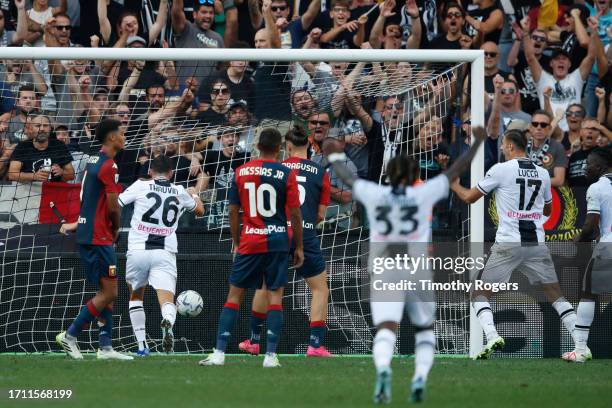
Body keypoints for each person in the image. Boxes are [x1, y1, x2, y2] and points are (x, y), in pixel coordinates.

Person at [322, 125, 485, 403]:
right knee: (424, 329)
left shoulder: (375, 193)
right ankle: (419, 376)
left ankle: (384, 370)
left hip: (384, 269)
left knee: (386, 328)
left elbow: (347, 177)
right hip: (417, 269)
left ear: (389, 175)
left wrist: (333, 155)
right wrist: (476, 143)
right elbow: (456, 169)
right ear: (414, 175)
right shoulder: (424, 193)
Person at [451, 129, 578, 360]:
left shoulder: (500, 170)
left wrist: (454, 185)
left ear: (509, 146)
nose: (501, 149)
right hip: (536, 245)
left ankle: (491, 336)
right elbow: (548, 210)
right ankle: (582, 346)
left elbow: (470, 197)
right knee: (557, 296)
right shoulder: (542, 173)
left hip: (509, 243)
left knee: (478, 293)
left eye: (502, 146)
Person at [199, 128, 304, 368]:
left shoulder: (241, 171)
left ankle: (219, 353)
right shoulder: (286, 173)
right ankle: (270, 356)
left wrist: (236, 240)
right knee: (275, 296)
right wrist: (298, 245)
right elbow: (295, 214)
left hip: (250, 240)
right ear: (279, 148)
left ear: (257, 146)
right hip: (277, 241)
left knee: (234, 296)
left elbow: (233, 211)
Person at [239, 127, 332, 357]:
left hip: (277, 234)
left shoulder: (277, 170)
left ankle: (253, 341)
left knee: (265, 286)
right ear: (309, 147)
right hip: (306, 234)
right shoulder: (321, 172)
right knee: (319, 289)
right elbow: (321, 214)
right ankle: (315, 344)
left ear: (287, 147)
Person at [56, 119, 133, 361]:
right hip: (100, 236)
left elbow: (89, 199)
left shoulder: (92, 161)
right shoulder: (109, 166)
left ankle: (106, 346)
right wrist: (117, 228)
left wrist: (76, 222)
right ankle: (70, 335)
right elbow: (113, 205)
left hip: (88, 233)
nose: (123, 136)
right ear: (111, 138)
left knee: (105, 290)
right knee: (110, 293)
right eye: (120, 133)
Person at [119, 154, 204, 356]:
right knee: (167, 300)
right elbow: (200, 211)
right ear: (172, 173)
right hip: (165, 252)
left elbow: (119, 202)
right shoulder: (178, 190)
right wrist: (194, 194)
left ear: (150, 172)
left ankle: (141, 346)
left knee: (135, 297)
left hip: (138, 250)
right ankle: (168, 322)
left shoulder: (140, 185)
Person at [563, 148, 611, 363]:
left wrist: (578, 239)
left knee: (588, 293)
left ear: (600, 167)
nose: (585, 167)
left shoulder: (597, 187)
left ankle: (580, 350)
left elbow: (590, 223)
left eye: (588, 163)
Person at [7, 114, 74, 183]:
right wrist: (34, 176)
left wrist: (62, 172)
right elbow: (12, 174)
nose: (42, 129)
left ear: (50, 128)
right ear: (31, 129)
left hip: (53, 190)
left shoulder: (59, 145)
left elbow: (71, 175)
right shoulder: (22, 147)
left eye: (45, 125)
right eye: (38, 126)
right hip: (29, 190)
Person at [526, 110, 567, 187]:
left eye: (543, 125)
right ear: (530, 127)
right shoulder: (522, 145)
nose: (539, 128)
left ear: (549, 128)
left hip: (548, 194)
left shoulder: (558, 147)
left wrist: (532, 181)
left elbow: (559, 180)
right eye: (535, 124)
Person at [567, 118, 600, 187]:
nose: (590, 131)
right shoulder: (574, 155)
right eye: (587, 128)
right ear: (581, 132)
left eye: (594, 129)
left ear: (599, 133)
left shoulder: (603, 153)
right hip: (574, 196)